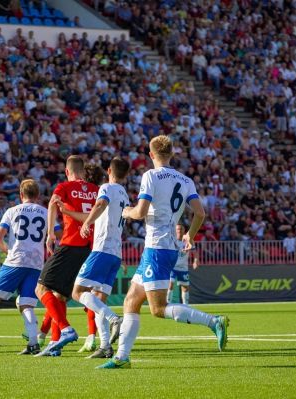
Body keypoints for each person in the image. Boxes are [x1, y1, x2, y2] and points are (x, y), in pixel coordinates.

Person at [98, 136, 228, 369]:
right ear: (171, 154)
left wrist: (126, 212)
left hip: (157, 247)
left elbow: (140, 212)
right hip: (164, 246)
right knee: (130, 300)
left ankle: (213, 321)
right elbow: (200, 214)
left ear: (151, 154)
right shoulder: (185, 179)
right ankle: (122, 357)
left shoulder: (150, 176)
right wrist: (189, 234)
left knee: (158, 309)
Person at [59, 157, 131, 359]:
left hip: (101, 249)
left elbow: (100, 204)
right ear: (125, 175)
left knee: (77, 292)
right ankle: (106, 346)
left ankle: (114, 319)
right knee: (98, 299)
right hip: (116, 252)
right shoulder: (125, 194)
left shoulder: (106, 188)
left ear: (109, 170)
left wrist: (86, 223)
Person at [34, 155, 98, 357]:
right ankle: (55, 344)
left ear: (67, 171)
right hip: (90, 248)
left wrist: (51, 233)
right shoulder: (96, 190)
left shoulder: (64, 187)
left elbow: (53, 203)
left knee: (41, 287)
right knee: (60, 295)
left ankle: (66, 329)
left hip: (70, 243)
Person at [0, 180, 47, 355]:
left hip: (15, 260)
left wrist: (8, 250)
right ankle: (33, 343)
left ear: (21, 195)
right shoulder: (45, 212)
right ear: (37, 196)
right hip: (36, 263)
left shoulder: (12, 211)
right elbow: (58, 233)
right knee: (26, 304)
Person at [167, 224, 199, 305]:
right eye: (177, 229)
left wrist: (195, 261)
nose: (179, 231)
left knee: (185, 288)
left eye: (181, 229)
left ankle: (186, 305)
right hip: (172, 267)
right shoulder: (171, 239)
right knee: (170, 284)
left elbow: (195, 253)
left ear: (184, 230)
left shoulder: (189, 240)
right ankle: (167, 304)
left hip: (183, 268)